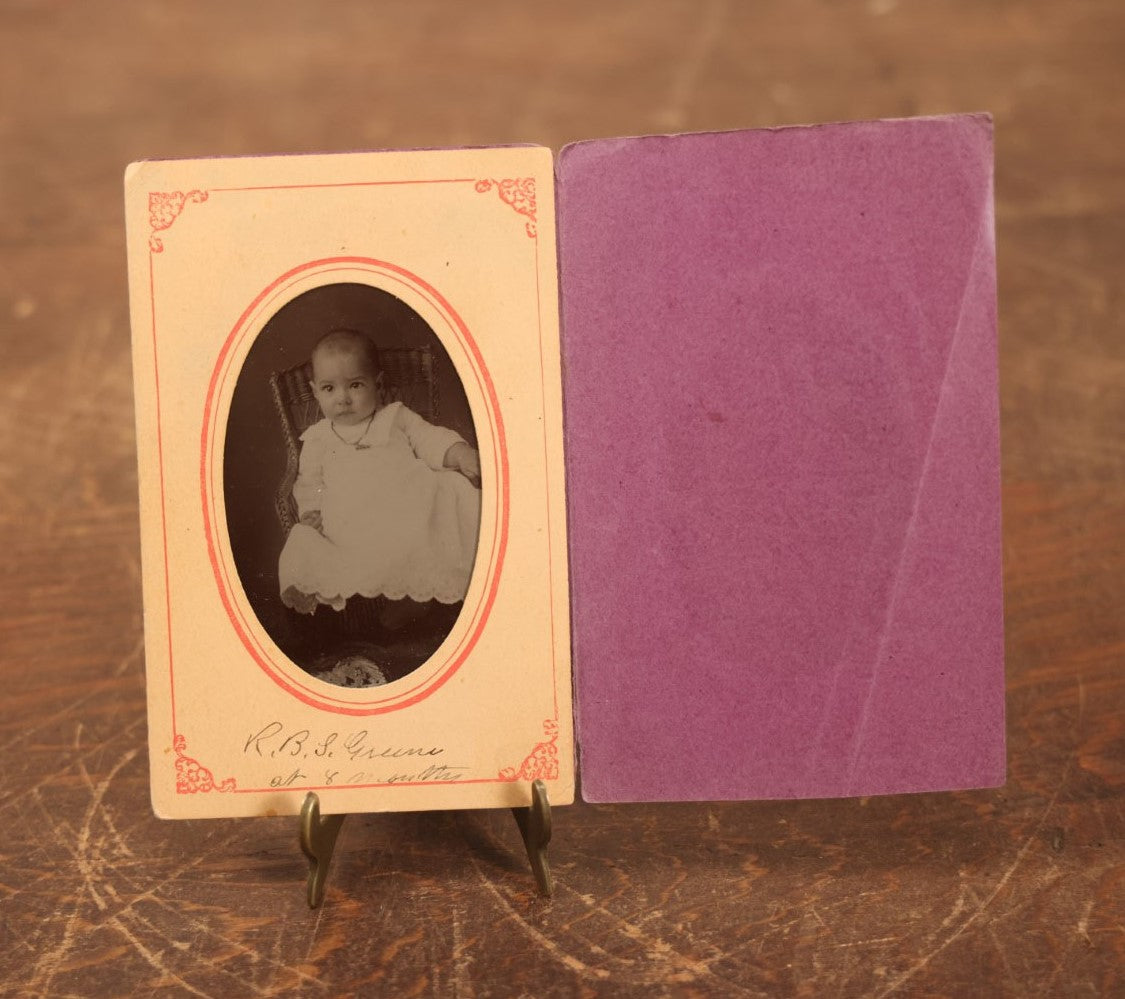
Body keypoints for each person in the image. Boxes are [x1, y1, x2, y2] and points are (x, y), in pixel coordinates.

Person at [278, 328, 481, 630]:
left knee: (452, 501)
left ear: (378, 384)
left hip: (408, 504)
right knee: (311, 543)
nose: (343, 399)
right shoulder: (318, 438)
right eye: (329, 389)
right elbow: (309, 481)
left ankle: (415, 598)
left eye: (356, 385)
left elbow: (429, 438)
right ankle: (388, 601)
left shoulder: (395, 417)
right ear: (315, 390)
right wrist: (311, 510)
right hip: (354, 519)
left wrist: (458, 452)